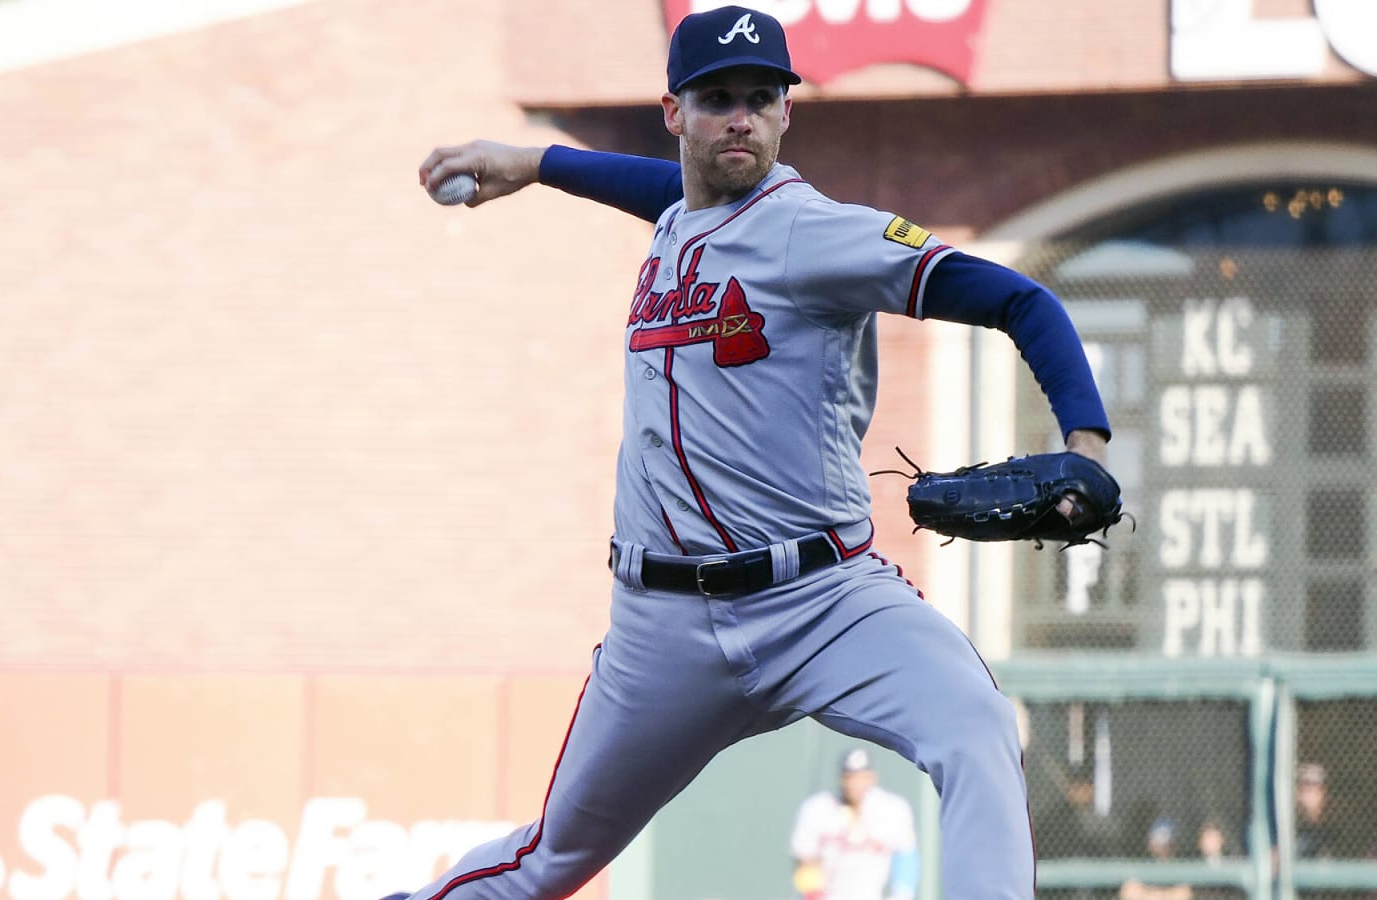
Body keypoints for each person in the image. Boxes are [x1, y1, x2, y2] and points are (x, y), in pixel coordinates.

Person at [391, 6, 1112, 899]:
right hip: (663, 629)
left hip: (825, 600)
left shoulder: (819, 233)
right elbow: (659, 191)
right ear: (674, 113)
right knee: (549, 861)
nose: (740, 116)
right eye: (717, 98)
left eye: (760, 98)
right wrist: (535, 164)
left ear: (785, 114)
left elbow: (1022, 300)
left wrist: (1086, 443)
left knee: (973, 724)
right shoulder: (679, 214)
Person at [789, 747, 920, 900]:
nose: (855, 784)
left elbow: (906, 856)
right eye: (849, 777)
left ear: (872, 777)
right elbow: (806, 859)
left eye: (861, 777)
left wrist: (901, 895)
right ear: (841, 779)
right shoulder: (818, 807)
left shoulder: (893, 809)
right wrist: (813, 895)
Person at [1294, 762, 1340, 860]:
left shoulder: (1334, 830)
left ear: (1323, 793)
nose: (1307, 794)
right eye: (1303, 788)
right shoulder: (1290, 829)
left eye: (1313, 788)